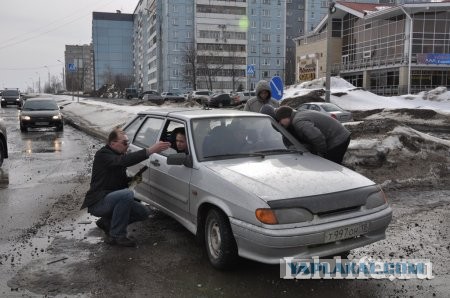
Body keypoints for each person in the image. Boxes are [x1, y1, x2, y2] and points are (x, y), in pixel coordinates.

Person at [80, 127, 171, 247]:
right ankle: (118, 236)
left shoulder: (116, 155)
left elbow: (120, 183)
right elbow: (122, 161)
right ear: (113, 143)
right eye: (124, 143)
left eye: (128, 142)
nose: (127, 145)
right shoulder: (103, 155)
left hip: (111, 199)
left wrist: (133, 180)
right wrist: (150, 150)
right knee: (127, 194)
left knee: (143, 212)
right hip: (99, 202)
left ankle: (108, 223)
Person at [275, 106, 351, 164]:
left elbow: (317, 137)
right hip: (340, 135)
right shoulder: (299, 114)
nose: (280, 124)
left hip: (338, 139)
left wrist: (321, 153)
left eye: (280, 120)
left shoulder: (298, 121)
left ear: (286, 117)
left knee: (330, 166)